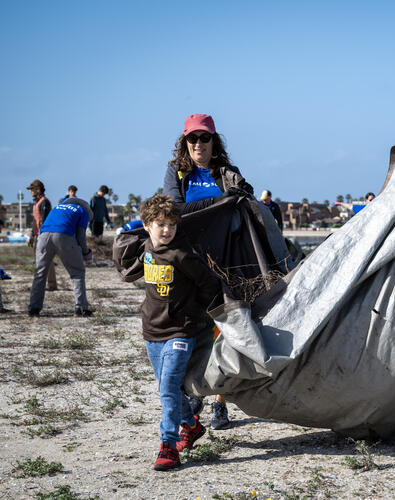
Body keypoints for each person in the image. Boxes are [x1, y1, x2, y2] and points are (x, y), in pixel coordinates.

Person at [163, 113, 254, 430]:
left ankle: (220, 404)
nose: (198, 144)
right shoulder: (177, 173)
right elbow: (174, 209)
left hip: (227, 263)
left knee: (223, 332)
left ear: (214, 142)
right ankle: (194, 395)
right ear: (184, 143)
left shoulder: (227, 173)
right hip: (190, 264)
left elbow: (245, 204)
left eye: (204, 138)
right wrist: (219, 204)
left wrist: (234, 197)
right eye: (192, 138)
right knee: (193, 330)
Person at [130, 194, 221, 471]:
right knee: (165, 388)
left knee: (169, 386)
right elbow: (128, 267)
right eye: (161, 224)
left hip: (181, 332)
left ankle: (168, 446)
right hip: (152, 331)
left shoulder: (182, 254)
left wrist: (196, 314)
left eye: (172, 224)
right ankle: (192, 426)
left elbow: (210, 284)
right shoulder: (146, 248)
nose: (167, 230)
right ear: (147, 225)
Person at [28, 197, 95, 317]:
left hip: (43, 237)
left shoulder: (56, 208)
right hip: (64, 236)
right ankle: (80, 308)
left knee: (40, 273)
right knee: (77, 273)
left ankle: (34, 308)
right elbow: (80, 236)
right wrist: (86, 252)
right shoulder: (82, 211)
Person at [26, 179, 57, 291]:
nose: (30, 192)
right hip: (38, 235)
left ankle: (51, 284)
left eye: (32, 189)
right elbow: (35, 221)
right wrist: (31, 235)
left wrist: (42, 237)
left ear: (38, 190)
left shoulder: (44, 202)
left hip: (44, 236)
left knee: (45, 261)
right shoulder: (37, 202)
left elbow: (45, 221)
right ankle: (46, 283)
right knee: (42, 261)